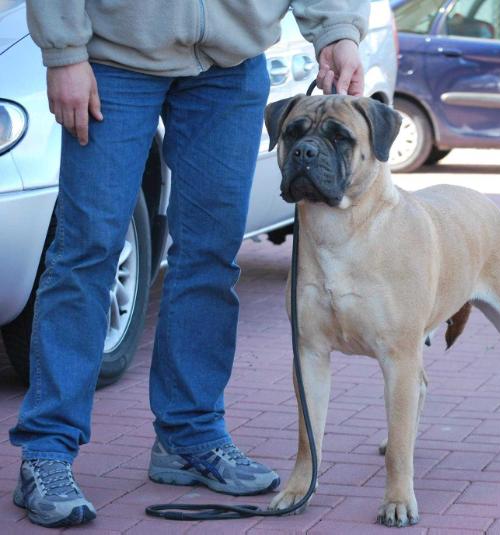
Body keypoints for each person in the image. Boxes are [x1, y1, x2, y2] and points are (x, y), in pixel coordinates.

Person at [10, 0, 368, 528]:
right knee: (86, 256)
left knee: (210, 258)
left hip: (231, 66)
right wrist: (64, 52)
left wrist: (338, 30)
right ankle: (46, 452)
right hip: (114, 57)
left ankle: (190, 437)